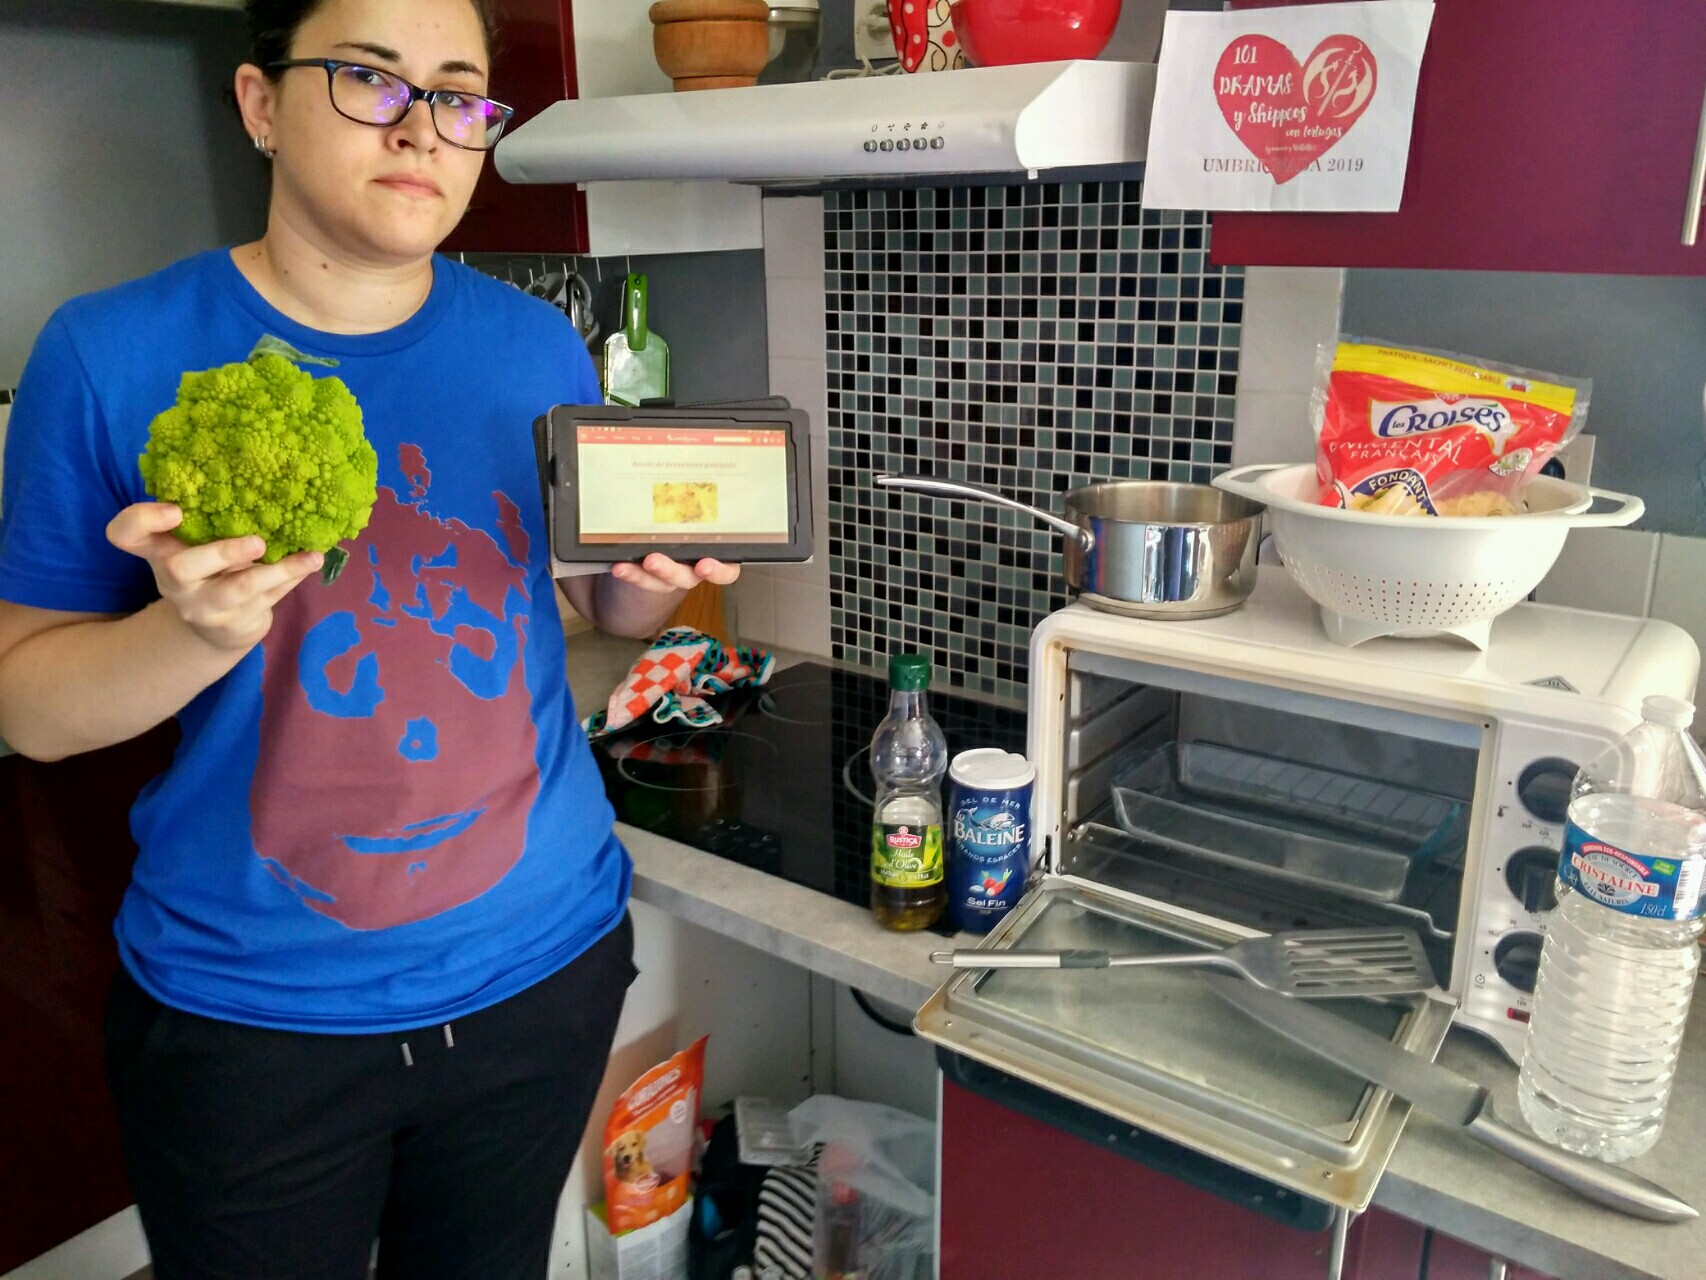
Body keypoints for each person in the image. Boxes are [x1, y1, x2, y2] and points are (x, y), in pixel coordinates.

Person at [0, 0, 738, 1275]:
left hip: (540, 970)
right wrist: (194, 632)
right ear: (259, 103)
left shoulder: (531, 339)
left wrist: (647, 585)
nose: (423, 129)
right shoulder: (109, 352)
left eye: (459, 94)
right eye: (368, 80)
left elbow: (572, 599)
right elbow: (28, 705)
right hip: (251, 1016)